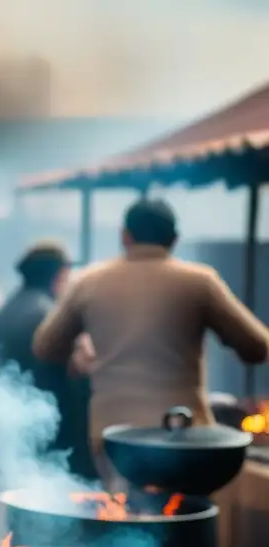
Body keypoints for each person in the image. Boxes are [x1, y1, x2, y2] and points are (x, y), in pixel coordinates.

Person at [33, 199, 269, 489]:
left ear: (124, 236)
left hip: (113, 437)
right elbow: (257, 348)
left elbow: (46, 347)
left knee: (127, 521)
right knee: (187, 518)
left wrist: (81, 356)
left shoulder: (89, 282)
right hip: (186, 438)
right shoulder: (199, 282)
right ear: (174, 239)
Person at [0, 241, 95, 479]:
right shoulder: (46, 314)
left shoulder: (10, 308)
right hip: (46, 432)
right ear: (60, 276)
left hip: (13, 427)